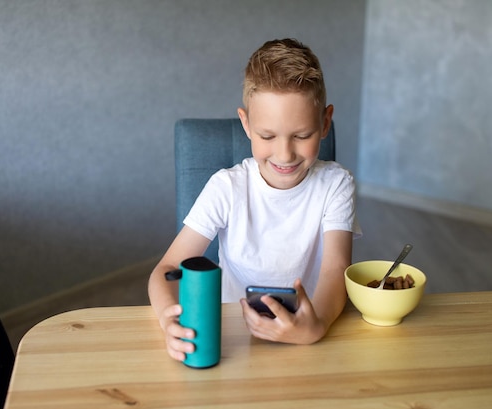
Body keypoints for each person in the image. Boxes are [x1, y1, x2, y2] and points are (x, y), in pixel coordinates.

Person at [148, 38, 360, 362]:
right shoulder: (226, 188)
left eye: (302, 136)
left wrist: (316, 325)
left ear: (325, 123)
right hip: (233, 338)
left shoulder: (336, 184)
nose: (284, 154)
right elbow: (165, 269)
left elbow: (336, 268)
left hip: (310, 329)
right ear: (246, 124)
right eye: (267, 136)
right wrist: (167, 318)